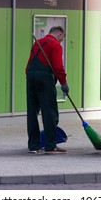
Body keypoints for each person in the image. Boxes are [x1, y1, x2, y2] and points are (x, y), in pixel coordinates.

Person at [26, 26, 69, 154]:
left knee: (32, 112)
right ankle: (50, 145)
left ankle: (34, 146)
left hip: (30, 77)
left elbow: (28, 66)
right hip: (44, 78)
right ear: (59, 34)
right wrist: (64, 83)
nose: (61, 41)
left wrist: (31, 78)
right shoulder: (55, 45)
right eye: (62, 39)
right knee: (49, 111)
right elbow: (58, 66)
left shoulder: (37, 43)